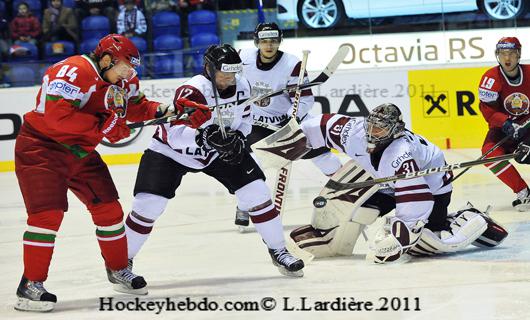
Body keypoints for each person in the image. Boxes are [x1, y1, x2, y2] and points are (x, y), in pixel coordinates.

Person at [13, 34, 181, 312]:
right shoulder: (72, 71)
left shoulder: (123, 79)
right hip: (41, 149)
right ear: (106, 59)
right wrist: (103, 126)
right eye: (125, 66)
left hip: (80, 151)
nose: (130, 72)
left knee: (109, 210)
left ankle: (117, 269)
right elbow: (57, 118)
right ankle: (30, 285)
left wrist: (166, 110)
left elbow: (136, 107)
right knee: (46, 216)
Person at [123, 44, 305, 278]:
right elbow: (175, 135)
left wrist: (239, 136)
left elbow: (246, 119)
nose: (229, 79)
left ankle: (279, 251)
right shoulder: (192, 91)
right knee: (148, 205)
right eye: (223, 74)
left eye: (233, 74)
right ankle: (121, 263)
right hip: (170, 152)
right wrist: (206, 136)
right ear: (209, 68)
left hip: (216, 152)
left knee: (257, 193)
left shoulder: (242, 85)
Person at [288, 104, 507, 263]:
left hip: (432, 187)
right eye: (371, 126)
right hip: (386, 182)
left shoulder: (400, 153)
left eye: (380, 129)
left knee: (430, 242)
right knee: (360, 212)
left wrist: (402, 234)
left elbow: (417, 198)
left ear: (395, 130)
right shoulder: (355, 131)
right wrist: (291, 136)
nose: (372, 133)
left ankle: (475, 220)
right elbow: (323, 125)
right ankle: (330, 237)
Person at [236, 22, 342, 229]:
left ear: (279, 41)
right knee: (253, 164)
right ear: (257, 42)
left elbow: (305, 100)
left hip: (287, 122)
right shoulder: (243, 57)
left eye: (273, 41)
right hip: (256, 124)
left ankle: (347, 188)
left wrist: (291, 116)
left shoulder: (292, 64)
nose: (269, 45)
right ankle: (244, 205)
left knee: (323, 156)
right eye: (264, 41)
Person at [478, 36, 530, 211]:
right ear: (497, 55)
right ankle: (523, 192)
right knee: (489, 154)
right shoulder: (490, 79)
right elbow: (488, 110)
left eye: (511, 53)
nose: (507, 58)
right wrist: (505, 123)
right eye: (503, 53)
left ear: (519, 54)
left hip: (528, 126)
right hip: (504, 129)